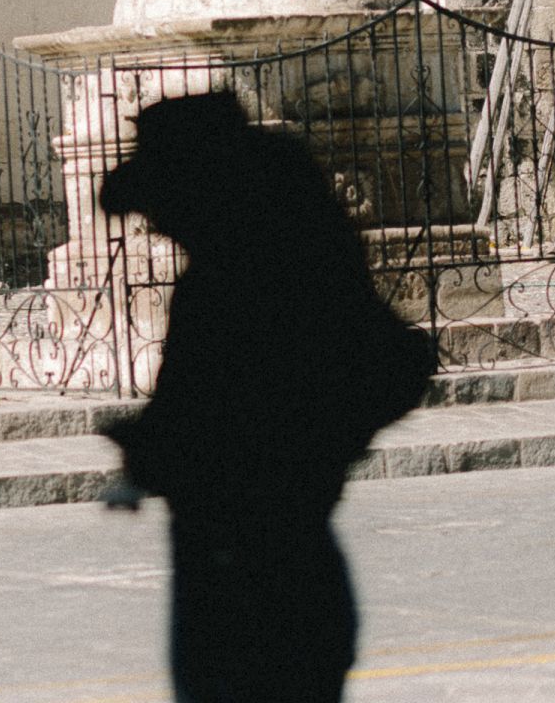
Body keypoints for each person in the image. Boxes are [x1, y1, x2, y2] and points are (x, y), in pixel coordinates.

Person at [98, 91, 435, 703]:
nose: (155, 221)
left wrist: (155, 448)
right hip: (289, 567)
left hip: (243, 581)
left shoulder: (234, 286)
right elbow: (393, 365)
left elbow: (212, 422)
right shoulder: (294, 261)